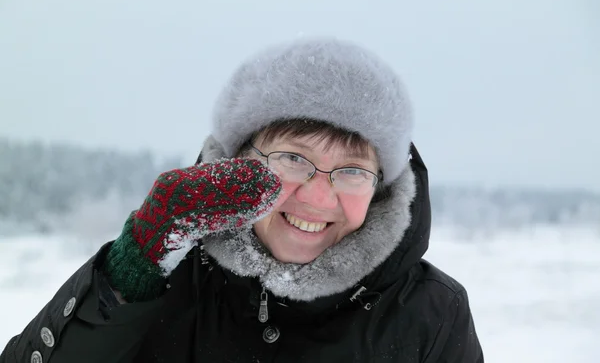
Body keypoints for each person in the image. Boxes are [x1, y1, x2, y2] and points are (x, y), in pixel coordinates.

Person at [0, 37, 483, 362]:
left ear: (381, 185)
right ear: (238, 162)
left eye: (352, 170)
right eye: (294, 158)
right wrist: (129, 276)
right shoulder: (172, 279)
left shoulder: (430, 312)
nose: (318, 196)